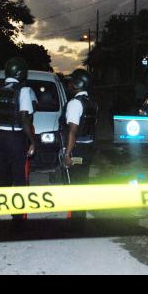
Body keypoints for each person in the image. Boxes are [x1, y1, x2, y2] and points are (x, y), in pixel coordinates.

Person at [0, 57, 35, 221]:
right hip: (16, 137)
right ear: (20, 73)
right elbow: (25, 117)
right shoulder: (24, 90)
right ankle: (17, 216)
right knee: (18, 176)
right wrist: (32, 140)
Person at [60, 69, 98, 224]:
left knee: (73, 184)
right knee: (82, 183)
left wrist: (67, 155)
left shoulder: (75, 103)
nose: (69, 84)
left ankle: (75, 222)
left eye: (71, 81)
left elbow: (72, 131)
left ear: (77, 84)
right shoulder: (92, 102)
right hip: (88, 149)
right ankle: (79, 220)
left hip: (77, 150)